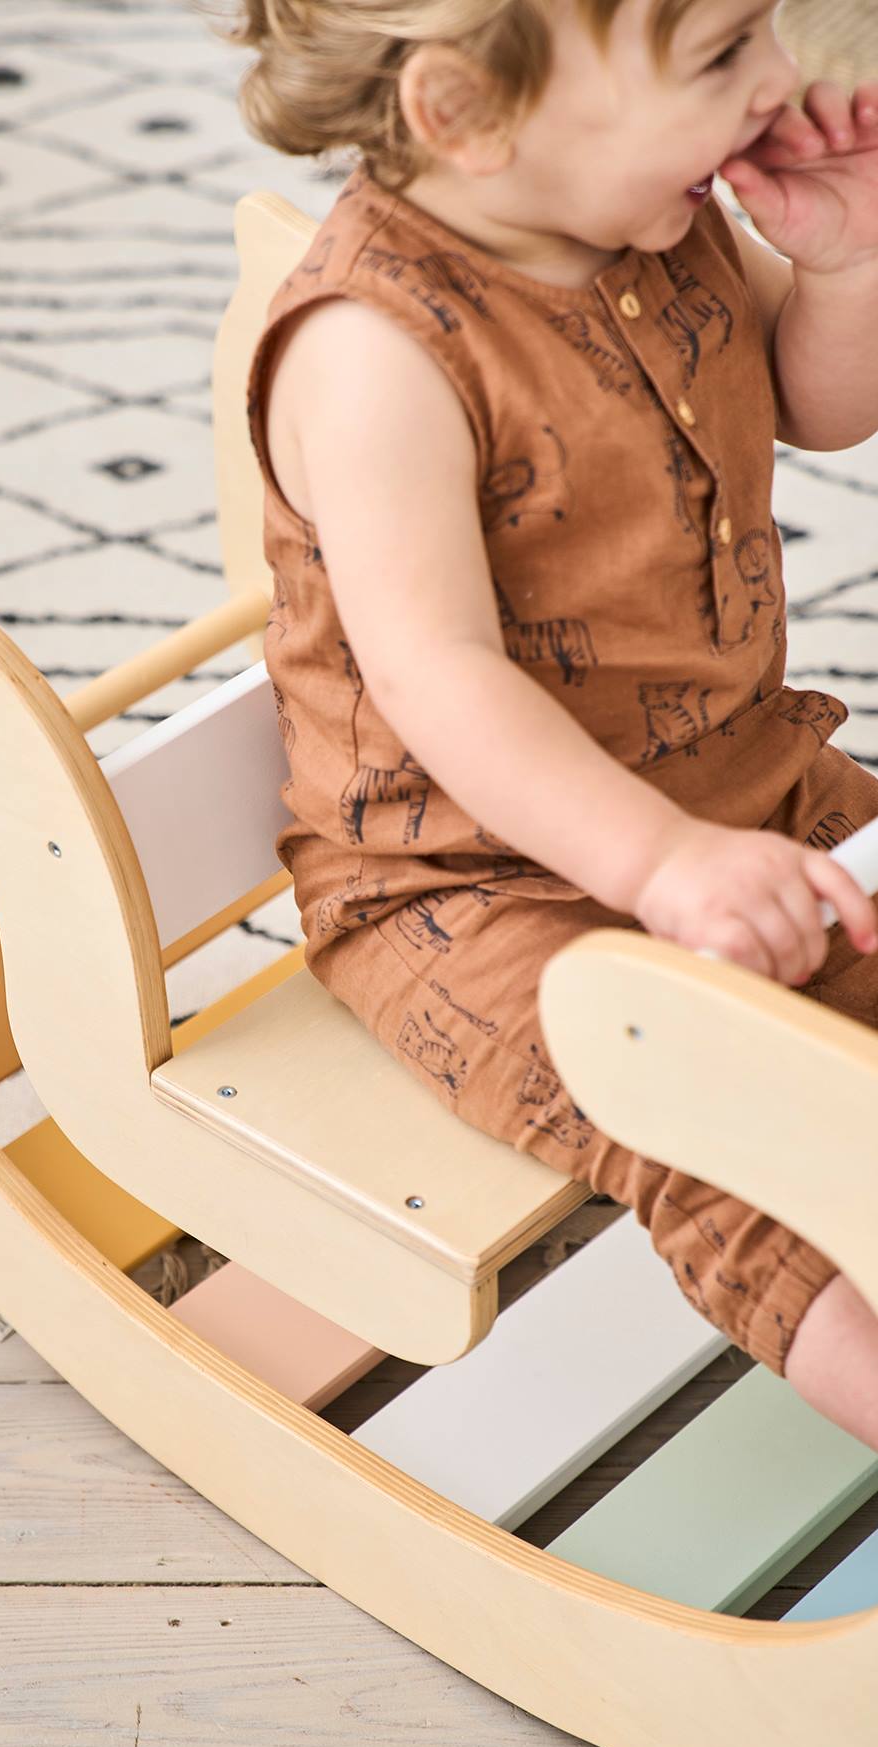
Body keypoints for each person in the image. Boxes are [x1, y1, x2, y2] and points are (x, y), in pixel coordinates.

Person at [214, 0, 878, 1449]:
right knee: (711, 1132)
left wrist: (849, 264)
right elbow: (439, 674)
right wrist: (660, 870)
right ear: (465, 115)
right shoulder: (372, 352)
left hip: (728, 791)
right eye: (720, 56)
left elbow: (818, 409)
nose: (782, 79)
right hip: (471, 892)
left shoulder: (644, 216)